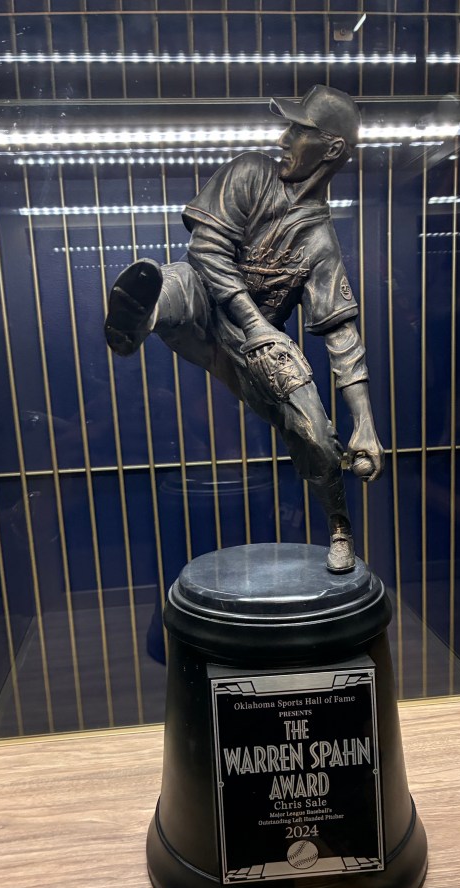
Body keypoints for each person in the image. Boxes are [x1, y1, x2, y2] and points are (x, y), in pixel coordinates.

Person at [105, 85, 384, 573]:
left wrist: (364, 423)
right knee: (171, 283)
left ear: (332, 149)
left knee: (316, 433)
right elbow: (206, 251)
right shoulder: (252, 172)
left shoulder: (322, 243)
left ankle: (339, 527)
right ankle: (137, 322)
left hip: (255, 352)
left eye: (299, 129)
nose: (283, 137)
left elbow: (342, 335)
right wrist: (258, 324)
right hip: (208, 303)